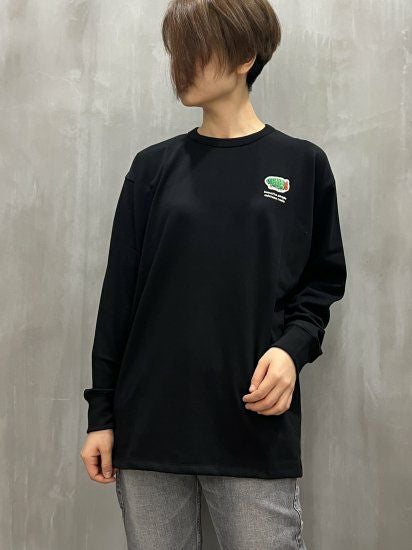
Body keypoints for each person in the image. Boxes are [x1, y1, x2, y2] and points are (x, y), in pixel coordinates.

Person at [80, 0, 347, 548]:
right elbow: (119, 299)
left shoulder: (301, 165)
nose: (179, 67)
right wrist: (101, 415)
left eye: (193, 51)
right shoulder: (153, 168)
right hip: (150, 427)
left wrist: (291, 351)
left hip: (251, 425)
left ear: (245, 56)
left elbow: (321, 284)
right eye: (175, 53)